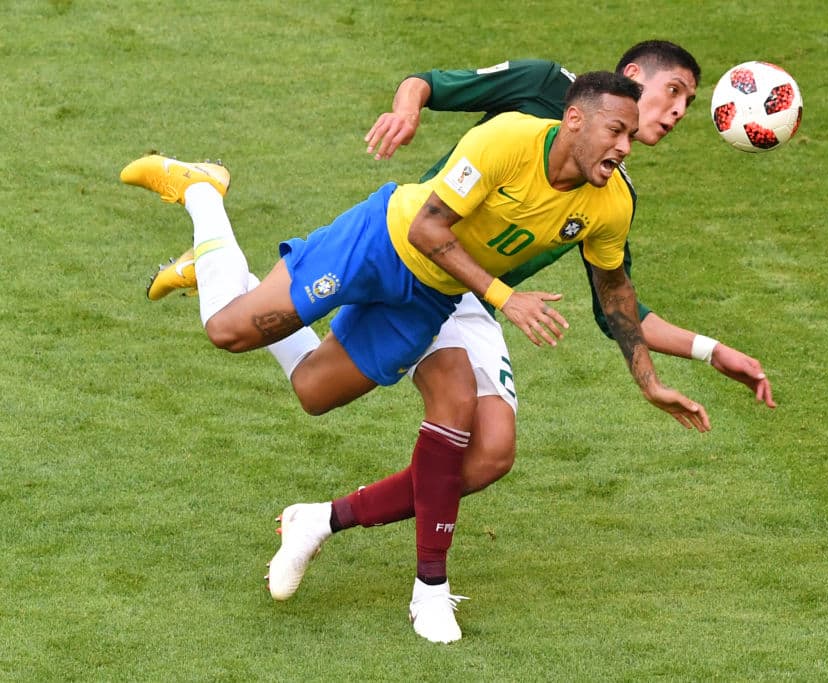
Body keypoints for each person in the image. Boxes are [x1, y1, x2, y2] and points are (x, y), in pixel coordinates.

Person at [121, 71, 709, 644]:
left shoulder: (609, 204)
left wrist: (650, 382)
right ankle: (202, 190)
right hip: (380, 242)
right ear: (574, 119)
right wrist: (507, 298)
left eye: (630, 136)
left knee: (313, 392)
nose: (624, 148)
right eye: (615, 131)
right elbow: (430, 228)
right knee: (228, 331)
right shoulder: (508, 139)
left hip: (432, 296)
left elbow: (616, 293)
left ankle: (225, 271)